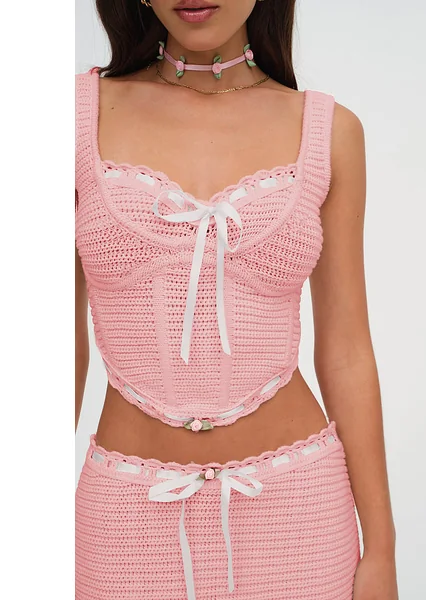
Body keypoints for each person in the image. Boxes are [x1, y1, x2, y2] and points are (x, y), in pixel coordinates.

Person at [75, 1, 398, 598]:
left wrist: (381, 549)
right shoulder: (72, 119)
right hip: (124, 519)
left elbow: (347, 350)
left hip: (300, 514)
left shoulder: (329, 131)